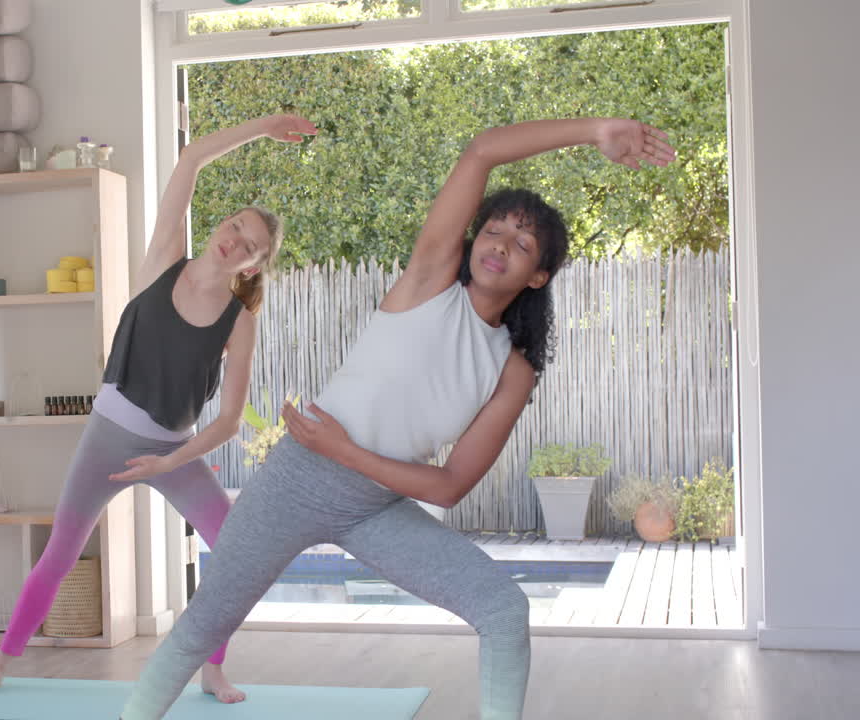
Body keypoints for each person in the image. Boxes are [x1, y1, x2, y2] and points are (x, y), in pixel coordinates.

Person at [119, 116, 676, 720]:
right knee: (203, 627)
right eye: (494, 231)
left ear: (538, 275)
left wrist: (347, 453)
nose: (500, 246)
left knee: (504, 610)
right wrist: (596, 131)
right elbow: (482, 149)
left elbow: (450, 485)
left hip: (374, 501)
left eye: (523, 245)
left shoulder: (513, 371)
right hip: (295, 481)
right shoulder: (430, 279)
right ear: (471, 241)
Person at [0, 113, 319, 701]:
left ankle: (212, 665)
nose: (235, 241)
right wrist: (265, 127)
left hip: (174, 449)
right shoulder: (164, 257)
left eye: (250, 246)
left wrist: (170, 463)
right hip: (107, 438)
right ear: (221, 226)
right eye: (235, 226)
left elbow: (230, 420)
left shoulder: (240, 318)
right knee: (60, 555)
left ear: (252, 266)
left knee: (235, 551)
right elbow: (191, 159)